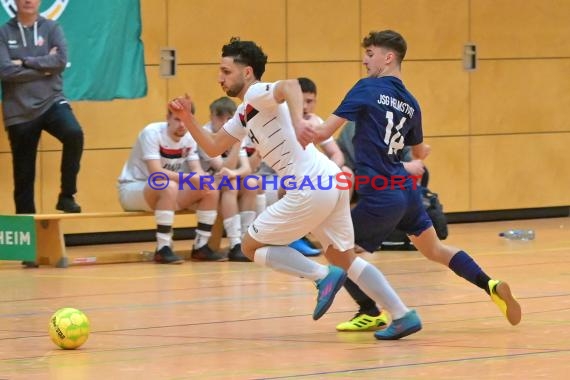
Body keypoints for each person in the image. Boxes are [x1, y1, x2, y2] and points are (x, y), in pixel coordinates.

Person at [169, 38, 422, 338]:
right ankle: (402, 314)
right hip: (331, 181)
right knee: (344, 257)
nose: (220, 78)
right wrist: (188, 119)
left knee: (251, 246)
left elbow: (289, 85)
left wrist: (300, 121)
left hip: (311, 184)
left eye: (225, 71)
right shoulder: (244, 113)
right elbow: (213, 146)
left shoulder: (256, 92)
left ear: (247, 72)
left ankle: (321, 276)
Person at [315, 30, 522, 335]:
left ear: (388, 58)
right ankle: (488, 283)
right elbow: (420, 152)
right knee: (435, 249)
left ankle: (376, 312)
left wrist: (292, 127)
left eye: (370, 54)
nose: (365, 60)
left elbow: (322, 133)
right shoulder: (411, 103)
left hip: (381, 195)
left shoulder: (366, 88)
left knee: (335, 252)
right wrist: (420, 151)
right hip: (407, 190)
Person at [0, 0, 83, 214]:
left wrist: (24, 62)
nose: (28, 0)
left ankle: (67, 195)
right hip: (19, 111)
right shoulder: (3, 32)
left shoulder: (52, 28)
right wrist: (44, 66)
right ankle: (28, 235)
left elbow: (61, 61)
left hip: (51, 101)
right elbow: (5, 71)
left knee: (74, 134)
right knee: (24, 177)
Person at [117, 104, 226, 263]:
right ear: (167, 118)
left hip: (167, 191)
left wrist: (208, 179)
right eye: (177, 119)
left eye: (186, 121)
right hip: (132, 188)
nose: (182, 125)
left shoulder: (189, 137)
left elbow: (196, 170)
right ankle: (163, 248)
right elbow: (156, 173)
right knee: (167, 185)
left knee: (209, 188)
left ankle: (201, 247)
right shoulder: (152, 133)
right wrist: (190, 179)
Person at [199, 96, 253, 262]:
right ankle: (235, 243)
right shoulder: (204, 134)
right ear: (211, 117)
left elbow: (246, 169)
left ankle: (245, 241)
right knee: (231, 182)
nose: (224, 122)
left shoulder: (233, 133)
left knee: (251, 183)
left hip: (220, 183)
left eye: (228, 118)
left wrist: (233, 173)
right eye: (219, 117)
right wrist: (237, 143)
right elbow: (222, 168)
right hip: (199, 186)